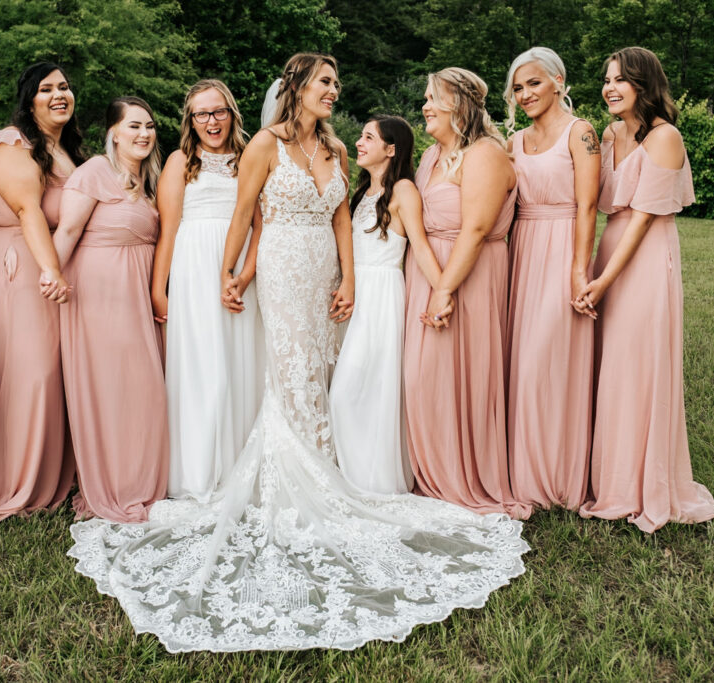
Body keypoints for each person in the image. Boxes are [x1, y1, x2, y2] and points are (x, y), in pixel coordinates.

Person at [68, 54, 528, 653]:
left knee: (320, 367)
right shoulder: (265, 143)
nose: (334, 91)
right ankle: (290, 477)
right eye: (325, 83)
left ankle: (324, 466)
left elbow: (342, 216)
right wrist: (231, 273)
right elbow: (245, 214)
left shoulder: (337, 151)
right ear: (297, 90)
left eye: (337, 82)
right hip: (280, 266)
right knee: (289, 368)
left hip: (323, 271)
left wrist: (350, 280)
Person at [577, 47, 714, 532]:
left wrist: (604, 279)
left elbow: (642, 219)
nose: (609, 87)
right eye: (606, 79)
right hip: (610, 249)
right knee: (608, 363)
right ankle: (607, 474)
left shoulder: (666, 137)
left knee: (636, 362)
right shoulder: (612, 134)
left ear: (644, 83)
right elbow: (595, 202)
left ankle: (638, 484)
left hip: (643, 257)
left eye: (621, 79)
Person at [403, 68, 530, 519]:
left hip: (467, 277)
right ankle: (429, 468)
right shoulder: (432, 156)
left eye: (432, 98)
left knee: (455, 376)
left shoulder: (485, 154)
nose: (425, 106)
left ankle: (462, 474)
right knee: (423, 379)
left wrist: (444, 289)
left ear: (458, 103)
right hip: (430, 273)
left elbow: (475, 229)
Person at [49, 96, 168, 522]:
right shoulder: (94, 173)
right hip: (102, 293)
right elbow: (67, 232)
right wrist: (51, 276)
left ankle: (144, 476)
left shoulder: (150, 178)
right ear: (114, 132)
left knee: (145, 389)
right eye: (134, 126)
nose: (144, 134)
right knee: (117, 388)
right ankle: (117, 484)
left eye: (150, 126)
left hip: (138, 291)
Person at [0, 62, 83, 523]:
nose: (58, 94)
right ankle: (21, 479)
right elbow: (27, 211)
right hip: (26, 264)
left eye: (63, 86)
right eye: (46, 89)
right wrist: (50, 270)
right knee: (32, 368)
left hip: (50, 262)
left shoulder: (61, 146)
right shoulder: (11, 143)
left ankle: (60, 467)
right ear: (29, 98)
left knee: (57, 366)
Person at [150, 79, 264, 502]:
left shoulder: (251, 158)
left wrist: (244, 276)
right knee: (202, 364)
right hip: (194, 270)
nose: (211, 122)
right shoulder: (182, 161)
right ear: (190, 120)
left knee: (241, 360)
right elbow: (168, 230)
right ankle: (199, 471)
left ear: (232, 113)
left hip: (239, 273)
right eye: (201, 114)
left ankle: (240, 465)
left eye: (218, 112)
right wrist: (159, 289)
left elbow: (260, 226)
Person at [503, 47, 599, 510]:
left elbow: (589, 206)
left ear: (559, 80)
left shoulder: (580, 133)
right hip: (522, 250)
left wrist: (579, 271)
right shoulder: (515, 141)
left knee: (548, 361)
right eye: (518, 88)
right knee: (520, 361)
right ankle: (521, 472)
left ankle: (556, 475)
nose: (525, 95)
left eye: (534, 83)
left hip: (563, 248)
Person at [329, 115, 444, 494]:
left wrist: (444, 291)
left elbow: (421, 246)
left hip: (380, 297)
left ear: (390, 149)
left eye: (367, 137)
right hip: (355, 295)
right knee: (350, 389)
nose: (358, 143)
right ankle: (352, 475)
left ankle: (372, 482)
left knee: (355, 391)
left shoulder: (404, 190)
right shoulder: (361, 192)